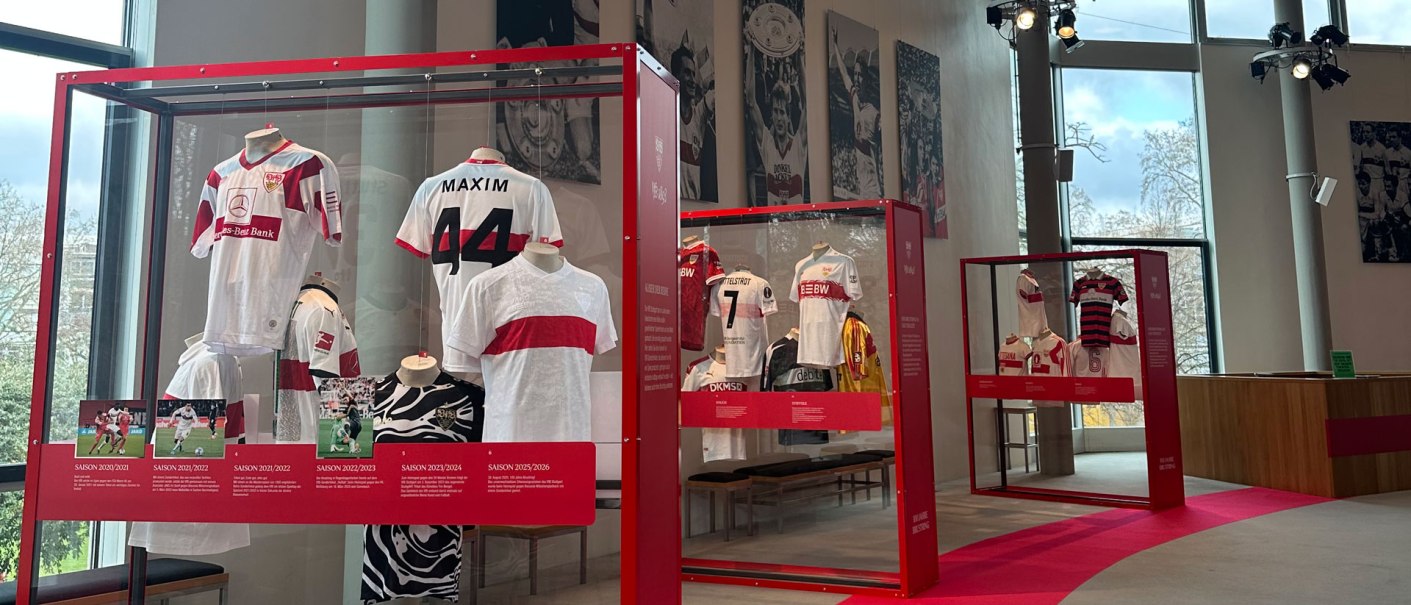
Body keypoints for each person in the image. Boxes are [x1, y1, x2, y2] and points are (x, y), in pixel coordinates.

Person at [745, 44, 805, 205]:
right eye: (776, 112)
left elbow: (807, 106)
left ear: (788, 117)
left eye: (782, 112)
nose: (779, 118)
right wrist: (751, 49)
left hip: (796, 228)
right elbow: (751, 102)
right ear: (771, 115)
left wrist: (799, 57)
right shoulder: (767, 145)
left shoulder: (798, 145)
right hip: (773, 227)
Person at [831, 27, 881, 199]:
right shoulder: (854, 101)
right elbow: (844, 74)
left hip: (873, 190)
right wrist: (835, 45)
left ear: (866, 80)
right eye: (856, 74)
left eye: (860, 76)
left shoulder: (874, 114)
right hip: (862, 188)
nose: (857, 79)